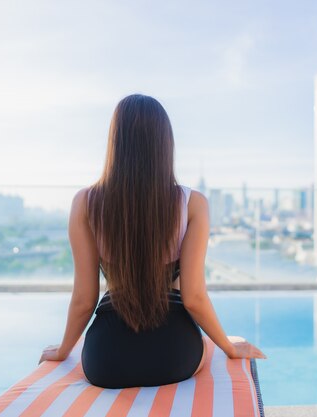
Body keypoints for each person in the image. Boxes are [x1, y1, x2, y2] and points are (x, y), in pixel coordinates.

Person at [38, 94, 265, 388]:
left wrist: (63, 350)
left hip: (106, 361)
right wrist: (228, 347)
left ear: (115, 143)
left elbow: (84, 299)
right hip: (175, 355)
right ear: (165, 144)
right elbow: (194, 297)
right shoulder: (192, 203)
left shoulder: (85, 203)